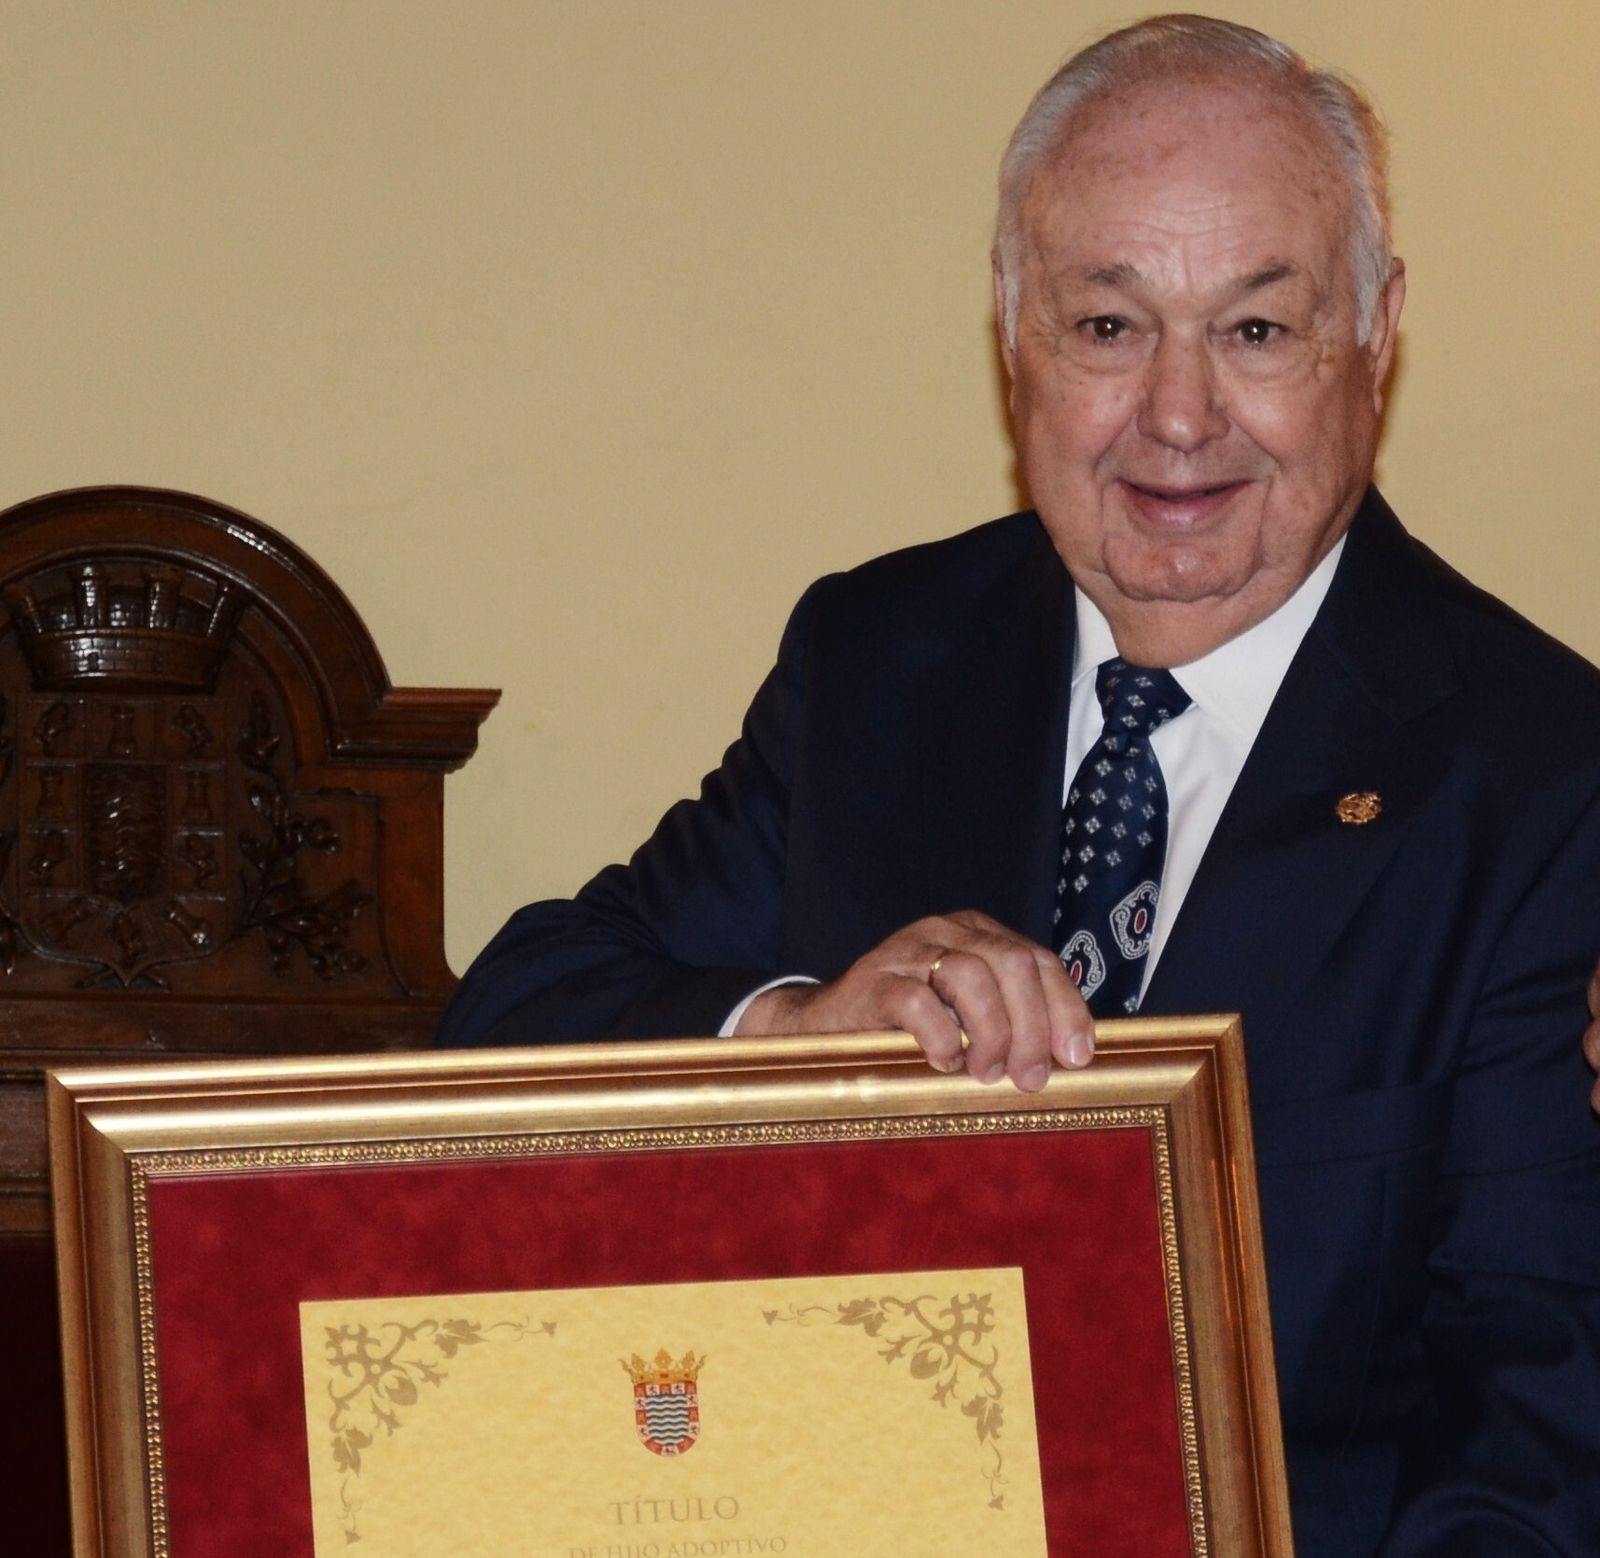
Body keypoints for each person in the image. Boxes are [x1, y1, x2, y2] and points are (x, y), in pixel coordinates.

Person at [441, 16, 1600, 1554]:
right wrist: (792, 1028)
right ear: (1011, 329)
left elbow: (1534, 1439)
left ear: (1375, 329)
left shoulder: (1541, 773)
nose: (1178, 418)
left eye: (1257, 331)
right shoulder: (878, 656)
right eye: (1109, 327)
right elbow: (510, 1019)